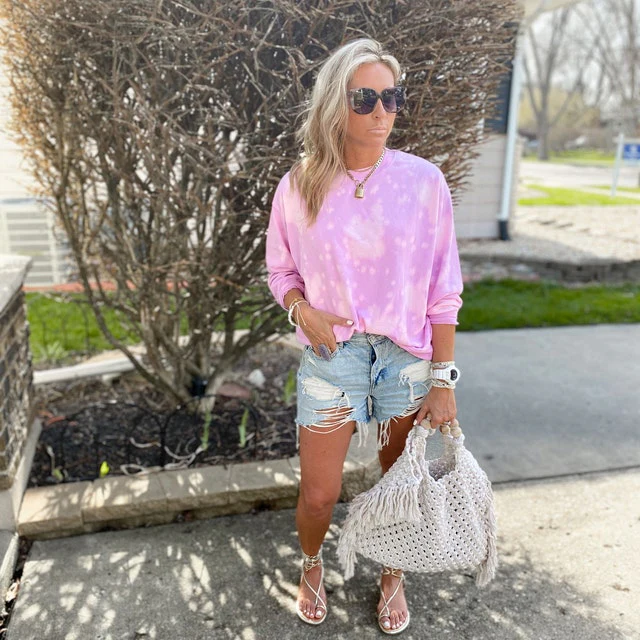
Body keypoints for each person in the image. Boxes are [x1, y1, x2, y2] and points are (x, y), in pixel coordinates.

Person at [265, 37, 463, 635]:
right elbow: (281, 271)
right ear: (335, 103)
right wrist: (301, 311)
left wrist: (443, 378)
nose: (382, 111)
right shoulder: (300, 184)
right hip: (333, 356)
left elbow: (444, 286)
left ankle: (392, 572)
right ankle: (311, 563)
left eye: (392, 97)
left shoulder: (423, 182)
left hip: (405, 356)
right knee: (318, 494)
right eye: (365, 98)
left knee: (399, 483)